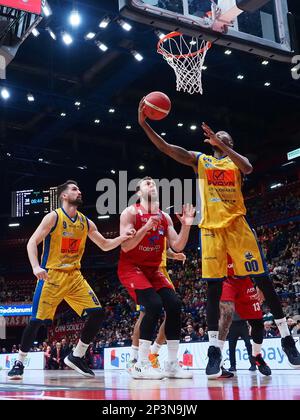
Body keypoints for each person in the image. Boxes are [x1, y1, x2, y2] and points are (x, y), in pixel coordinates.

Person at [138, 100, 300, 378]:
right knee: (213, 290)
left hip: (237, 227)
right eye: (218, 137)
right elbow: (167, 148)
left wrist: (223, 145)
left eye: (226, 138)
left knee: (263, 280)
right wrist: (145, 125)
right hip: (211, 230)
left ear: (230, 143)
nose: (221, 136)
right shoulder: (201, 160)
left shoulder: (234, 162)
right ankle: (214, 352)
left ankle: (286, 338)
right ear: (210, 142)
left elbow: (248, 167)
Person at [8, 180, 135, 380]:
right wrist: (35, 267)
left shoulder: (85, 222)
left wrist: (123, 237)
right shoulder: (54, 218)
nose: (79, 191)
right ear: (64, 196)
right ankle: (19, 362)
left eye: (79, 187)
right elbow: (32, 242)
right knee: (36, 322)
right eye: (75, 189)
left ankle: (76, 356)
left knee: (98, 313)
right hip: (52, 276)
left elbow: (104, 244)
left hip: (74, 276)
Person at [118, 176, 195, 379]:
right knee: (152, 305)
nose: (151, 183)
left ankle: (171, 363)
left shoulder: (164, 217)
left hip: (154, 270)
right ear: (138, 191)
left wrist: (186, 225)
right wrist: (144, 228)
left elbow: (177, 245)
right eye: (146, 183)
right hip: (132, 268)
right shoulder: (130, 213)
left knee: (174, 305)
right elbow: (125, 246)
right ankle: (141, 364)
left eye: (153, 182)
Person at [127, 246, 186, 372]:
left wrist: (174, 255)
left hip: (161, 272)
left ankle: (153, 353)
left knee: (172, 311)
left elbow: (166, 249)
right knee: (145, 312)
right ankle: (134, 358)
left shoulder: (165, 227)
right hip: (146, 271)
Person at [218, 255, 271, 376]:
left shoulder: (244, 238)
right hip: (226, 280)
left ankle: (256, 356)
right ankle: (217, 359)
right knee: (226, 315)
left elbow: (256, 259)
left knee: (258, 323)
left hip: (245, 281)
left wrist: (259, 284)